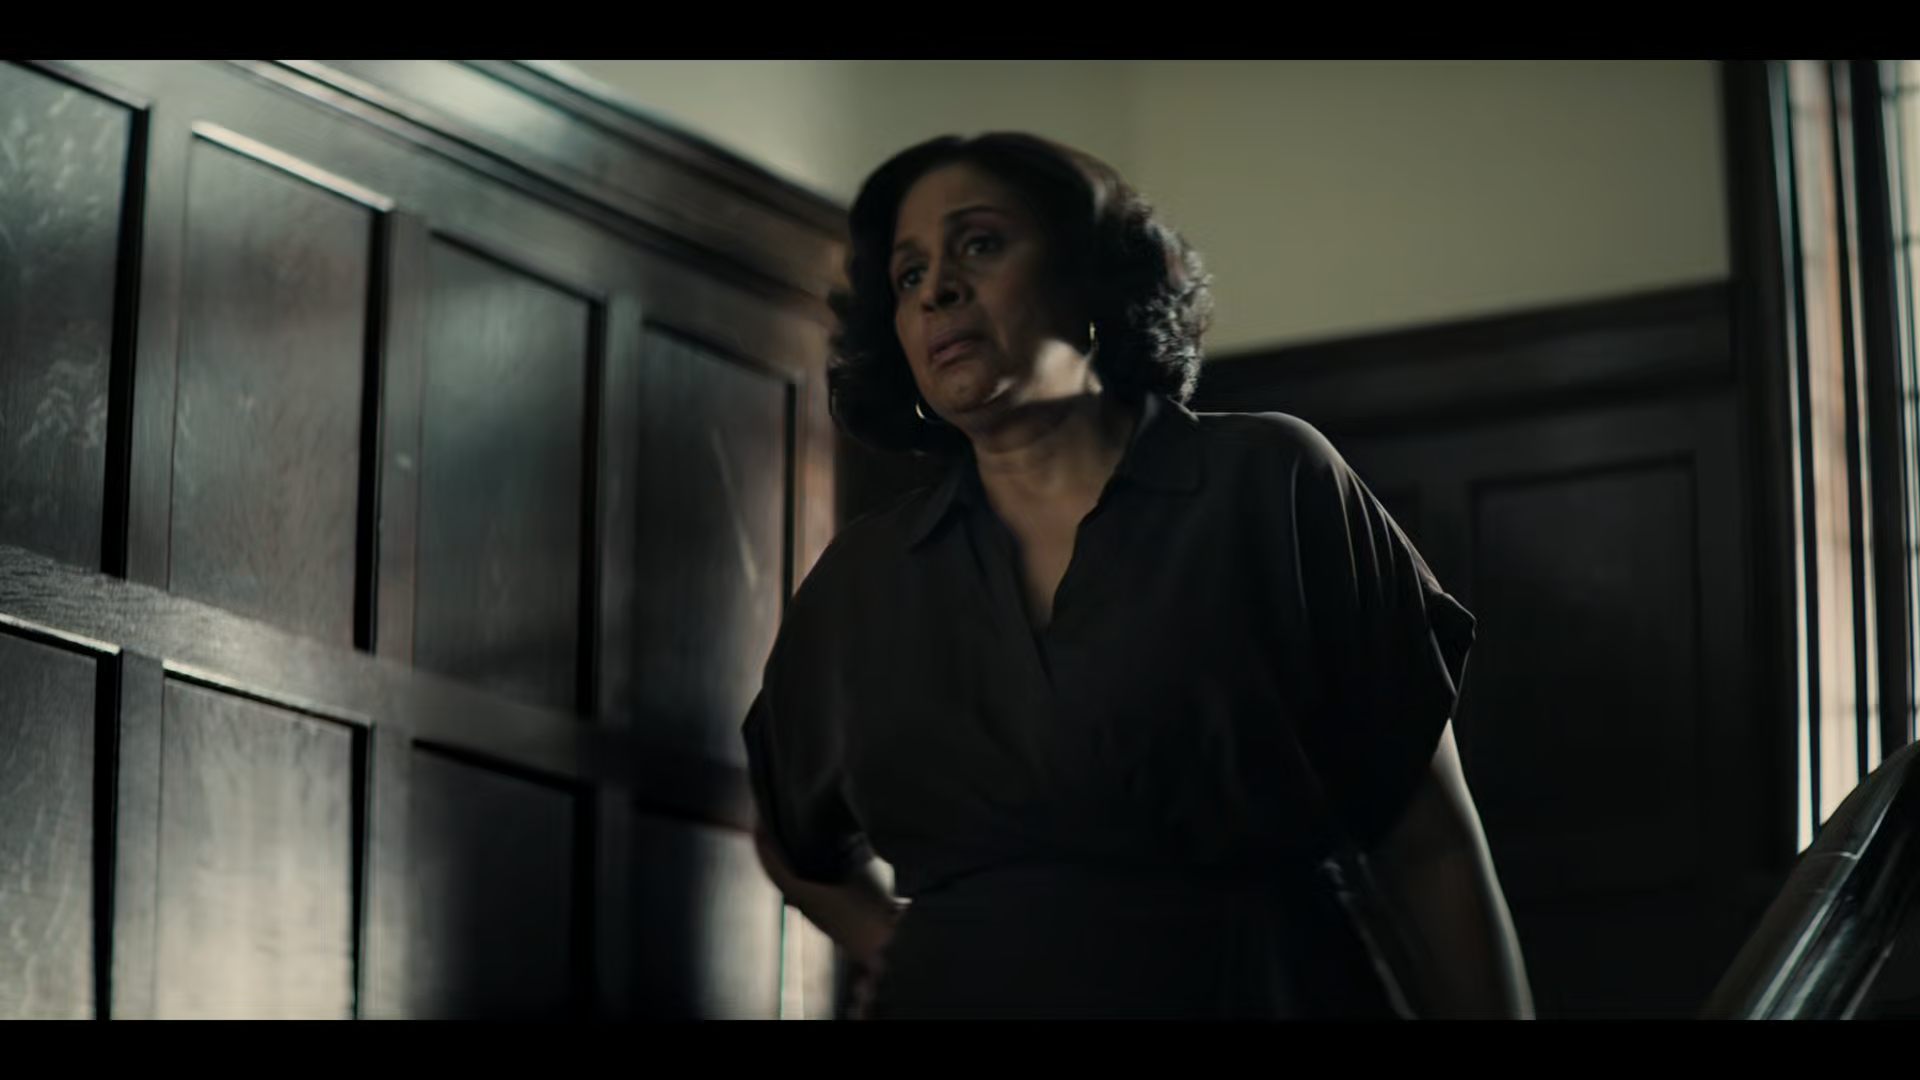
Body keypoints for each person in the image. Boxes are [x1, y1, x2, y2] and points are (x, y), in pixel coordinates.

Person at [742, 132, 1533, 1019]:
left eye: (981, 243)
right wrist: (891, 942)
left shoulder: (1272, 481)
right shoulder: (863, 577)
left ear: (1089, 277)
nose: (938, 290)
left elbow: (1429, 844)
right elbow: (789, 830)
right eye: (909, 274)